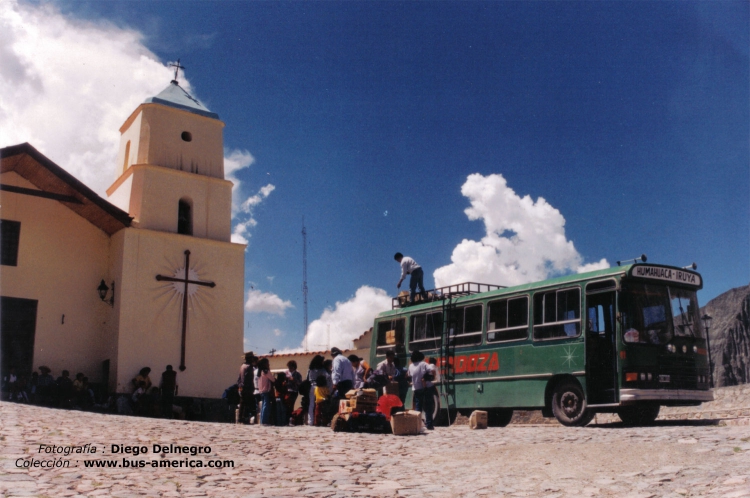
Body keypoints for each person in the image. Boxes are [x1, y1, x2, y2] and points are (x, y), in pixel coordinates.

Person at [407, 350, 434, 430]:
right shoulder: (423, 364)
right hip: (426, 387)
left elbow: (409, 375)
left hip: (416, 388)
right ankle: (429, 424)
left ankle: (418, 424)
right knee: (428, 406)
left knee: (418, 406)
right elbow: (431, 371)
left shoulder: (411, 366)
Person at [306, 355, 326, 426]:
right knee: (319, 404)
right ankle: (318, 421)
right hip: (319, 387)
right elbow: (326, 376)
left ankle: (310, 421)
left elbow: (307, 378)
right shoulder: (321, 369)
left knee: (311, 405)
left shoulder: (310, 369)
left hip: (311, 386)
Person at [256, 358, 275, 426]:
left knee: (263, 406)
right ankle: (264, 421)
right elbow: (273, 380)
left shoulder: (259, 371)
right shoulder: (266, 371)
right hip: (266, 391)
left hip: (261, 391)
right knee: (266, 406)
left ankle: (262, 421)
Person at [237, 353, 255, 424]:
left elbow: (239, 377)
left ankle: (240, 418)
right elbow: (248, 379)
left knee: (242, 403)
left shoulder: (242, 366)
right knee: (247, 404)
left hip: (241, 386)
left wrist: (240, 386)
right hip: (247, 387)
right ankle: (244, 418)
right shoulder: (249, 367)